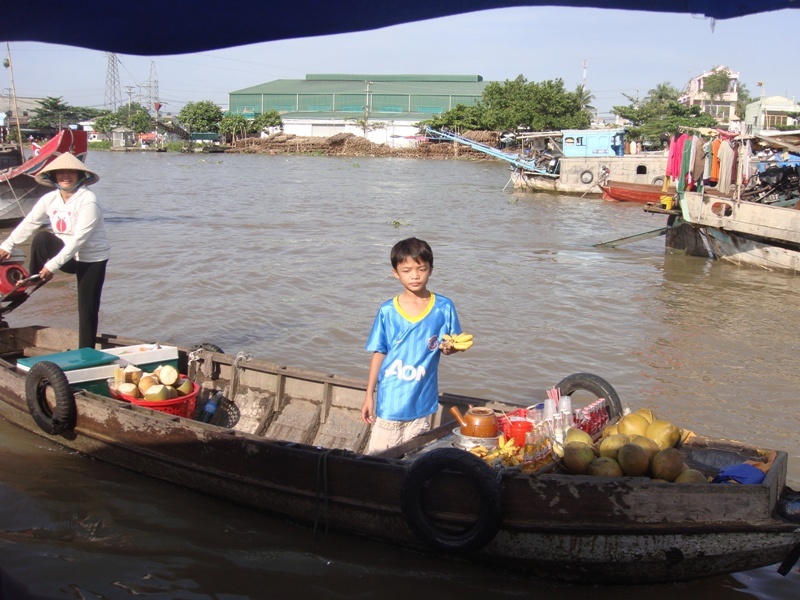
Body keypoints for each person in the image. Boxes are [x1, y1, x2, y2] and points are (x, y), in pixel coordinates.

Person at [361, 237, 462, 455]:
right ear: (396, 273)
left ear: (431, 270)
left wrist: (450, 349)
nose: (415, 276)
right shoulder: (388, 311)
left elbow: (448, 345)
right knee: (379, 457)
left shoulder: (444, 307)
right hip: (390, 399)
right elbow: (380, 353)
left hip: (422, 400)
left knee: (414, 460)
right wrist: (369, 394)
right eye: (406, 270)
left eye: (421, 269)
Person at [0, 153, 110, 349]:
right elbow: (30, 223)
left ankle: (87, 351)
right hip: (65, 255)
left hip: (91, 258)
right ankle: (35, 277)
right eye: (61, 173)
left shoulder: (88, 200)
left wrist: (51, 265)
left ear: (80, 176)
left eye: (71, 173)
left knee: (86, 308)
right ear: (53, 177)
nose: (66, 176)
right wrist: (7, 245)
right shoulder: (49, 199)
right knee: (42, 238)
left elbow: (78, 240)